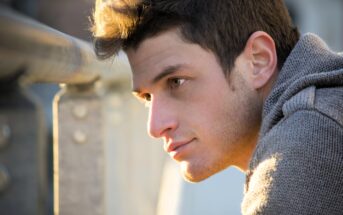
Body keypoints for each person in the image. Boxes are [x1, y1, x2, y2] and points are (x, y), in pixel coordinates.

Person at [91, 0, 343, 214]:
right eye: (147, 97)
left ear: (259, 60)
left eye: (176, 82)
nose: (155, 127)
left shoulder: (305, 150)